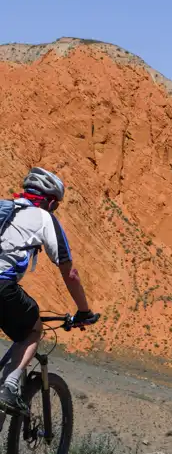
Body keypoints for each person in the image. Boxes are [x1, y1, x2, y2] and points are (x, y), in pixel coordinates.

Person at [0, 167, 98, 414]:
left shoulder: (4, 208)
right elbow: (70, 273)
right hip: (3, 285)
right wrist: (84, 311)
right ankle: (9, 386)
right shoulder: (44, 218)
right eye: (55, 206)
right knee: (33, 329)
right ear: (50, 201)